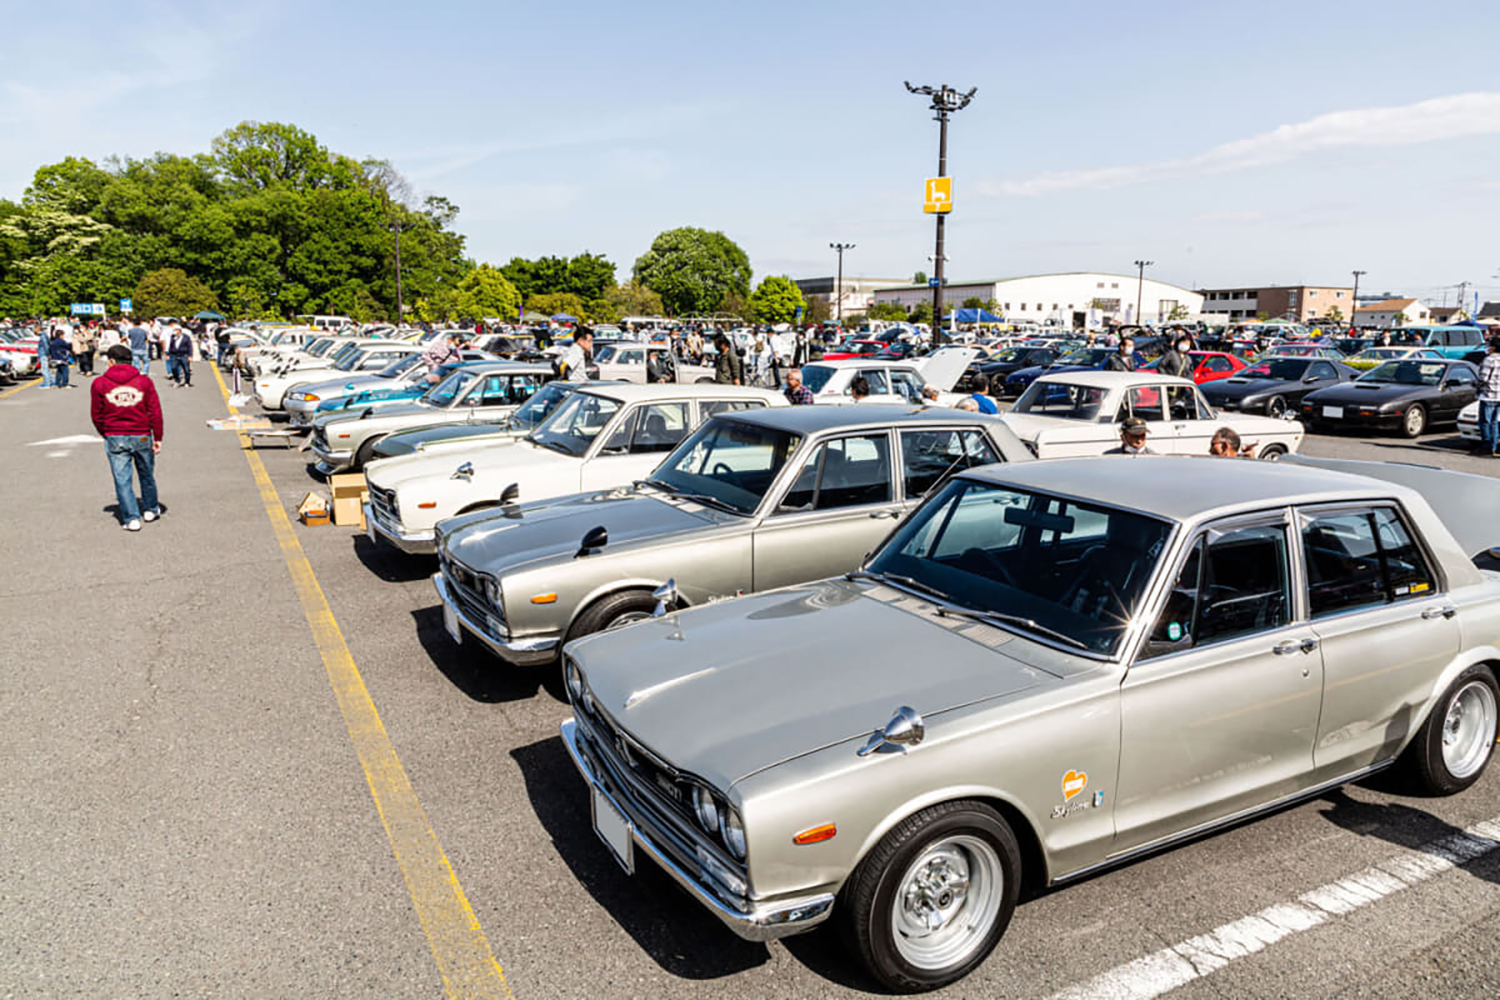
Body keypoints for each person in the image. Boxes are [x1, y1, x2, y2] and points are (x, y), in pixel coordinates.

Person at [91, 344, 164, 531]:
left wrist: (105, 432)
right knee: (147, 474)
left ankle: (131, 518)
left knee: (122, 478)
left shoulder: (100, 383)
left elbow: (96, 414)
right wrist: (158, 436)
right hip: (141, 433)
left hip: (114, 434)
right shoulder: (144, 382)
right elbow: (154, 411)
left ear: (111, 361)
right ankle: (150, 508)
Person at [1477, 336, 1500, 457]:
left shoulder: (1489, 360)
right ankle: (1495, 447)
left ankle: (1487, 447)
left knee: (1484, 422)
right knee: (1494, 422)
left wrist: (1475, 384)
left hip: (1488, 394)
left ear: (1493, 347)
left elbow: (1483, 378)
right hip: (1499, 395)